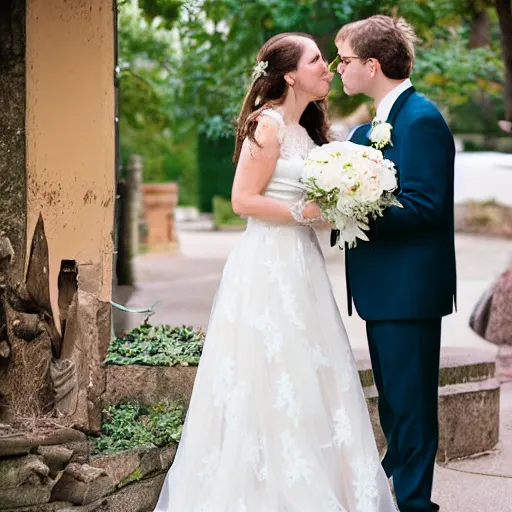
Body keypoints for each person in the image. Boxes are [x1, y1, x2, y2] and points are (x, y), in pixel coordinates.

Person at [153, 32, 397, 512]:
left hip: (302, 265)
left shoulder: (305, 132)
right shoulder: (266, 126)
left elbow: (311, 203)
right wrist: (307, 214)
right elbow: (243, 200)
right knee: (269, 374)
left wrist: (343, 201)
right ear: (290, 74)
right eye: (316, 60)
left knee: (311, 373)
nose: (328, 67)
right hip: (268, 266)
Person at [333, 15, 457, 512]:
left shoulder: (421, 119)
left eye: (344, 61)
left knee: (412, 407)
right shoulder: (372, 126)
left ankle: (415, 504)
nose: (339, 69)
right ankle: (397, 493)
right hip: (383, 288)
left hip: (410, 289)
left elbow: (425, 205)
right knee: (393, 404)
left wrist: (353, 206)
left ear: (372, 64)